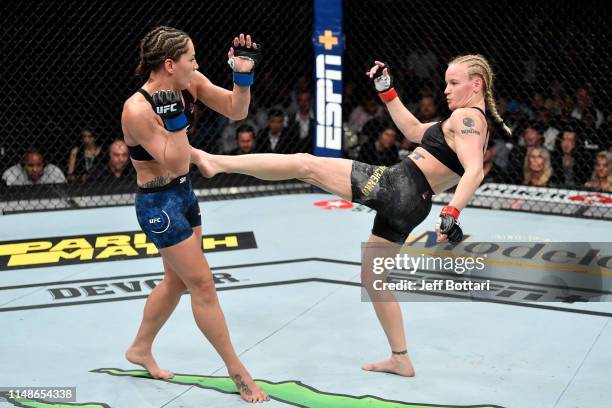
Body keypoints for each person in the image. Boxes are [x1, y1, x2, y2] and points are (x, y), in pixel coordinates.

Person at [194, 54, 512, 377]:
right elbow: (414, 129)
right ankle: (400, 357)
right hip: (414, 203)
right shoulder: (462, 122)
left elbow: (475, 171)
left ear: (477, 84)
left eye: (454, 83)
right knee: (374, 279)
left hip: (397, 185)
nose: (446, 90)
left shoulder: (468, 119)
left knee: (306, 164)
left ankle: (217, 162)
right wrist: (388, 92)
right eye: (446, 82)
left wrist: (452, 211)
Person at [120, 26, 267, 403]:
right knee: (201, 283)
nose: (197, 64)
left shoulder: (189, 82)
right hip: (158, 205)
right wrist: (175, 123)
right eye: (192, 59)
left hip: (183, 193)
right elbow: (177, 158)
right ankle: (239, 372)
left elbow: (237, 109)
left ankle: (139, 348)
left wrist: (243, 76)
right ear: (170, 65)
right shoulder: (137, 110)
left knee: (176, 283)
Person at [2, 148, 66, 186]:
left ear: (44, 164)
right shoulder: (11, 174)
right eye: (30, 165)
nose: (35, 169)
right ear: (23, 165)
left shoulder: (54, 172)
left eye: (39, 165)